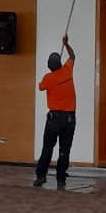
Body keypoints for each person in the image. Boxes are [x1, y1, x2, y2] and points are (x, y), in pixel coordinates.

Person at [34, 34, 76, 190]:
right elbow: (72, 56)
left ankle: (41, 176)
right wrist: (66, 44)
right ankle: (61, 179)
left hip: (54, 119)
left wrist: (51, 76)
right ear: (60, 63)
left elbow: (40, 87)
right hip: (69, 118)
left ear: (49, 66)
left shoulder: (48, 78)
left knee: (47, 148)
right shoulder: (67, 71)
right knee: (64, 150)